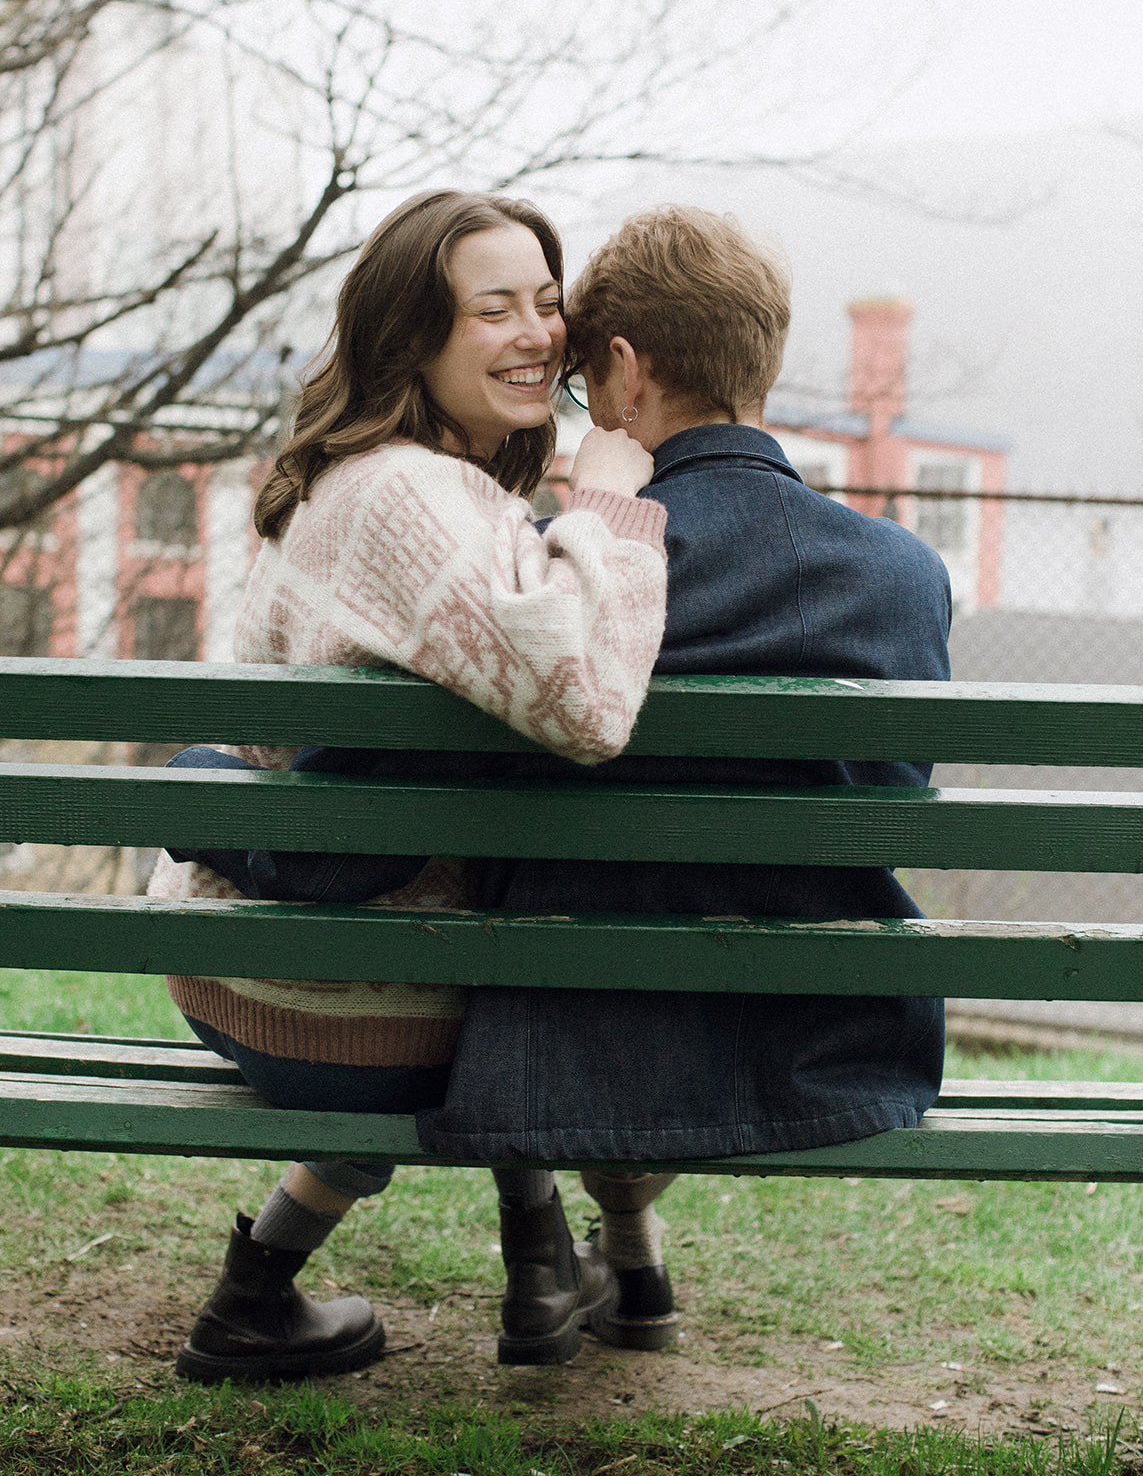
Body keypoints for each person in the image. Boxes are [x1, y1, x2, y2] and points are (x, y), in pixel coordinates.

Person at [147, 188, 669, 1382]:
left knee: (507, 900)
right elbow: (588, 706)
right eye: (494, 309)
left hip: (276, 952)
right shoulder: (410, 501)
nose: (540, 331)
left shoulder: (375, 480)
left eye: (549, 301)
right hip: (332, 1000)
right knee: (574, 952)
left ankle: (273, 1285)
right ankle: (597, 1255)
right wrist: (610, 501)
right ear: (410, 340)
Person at [414, 205, 953, 1341]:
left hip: (568, 1045)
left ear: (623, 368)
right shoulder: (906, 577)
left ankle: (560, 1242)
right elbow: (894, 788)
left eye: (584, 389)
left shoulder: (584, 573)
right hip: (831, 1044)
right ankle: (631, 1256)